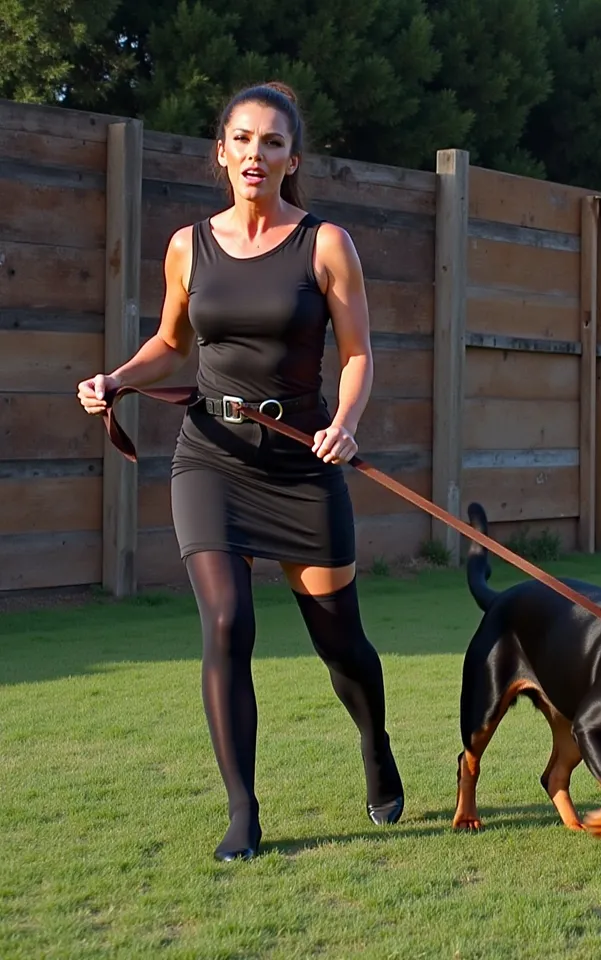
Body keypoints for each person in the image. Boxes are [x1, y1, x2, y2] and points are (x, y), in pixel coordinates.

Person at [77, 81, 404, 862]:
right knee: (227, 621)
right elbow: (171, 344)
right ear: (221, 151)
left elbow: (357, 354)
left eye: (273, 143)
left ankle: (375, 744)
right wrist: (119, 378)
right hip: (210, 456)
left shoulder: (325, 243)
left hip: (300, 462)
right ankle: (243, 813)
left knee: (341, 645)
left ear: (294, 159)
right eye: (243, 140)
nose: (257, 155)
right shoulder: (189, 245)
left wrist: (345, 424)